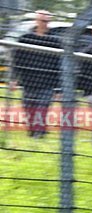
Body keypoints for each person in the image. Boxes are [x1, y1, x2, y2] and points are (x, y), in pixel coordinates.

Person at [10, 10, 61, 138]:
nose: (45, 24)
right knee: (29, 111)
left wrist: (59, 88)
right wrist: (14, 78)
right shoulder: (26, 39)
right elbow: (17, 60)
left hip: (47, 84)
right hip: (28, 83)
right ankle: (34, 133)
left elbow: (60, 66)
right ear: (36, 21)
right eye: (42, 21)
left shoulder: (55, 42)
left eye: (47, 22)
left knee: (42, 110)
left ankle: (39, 135)